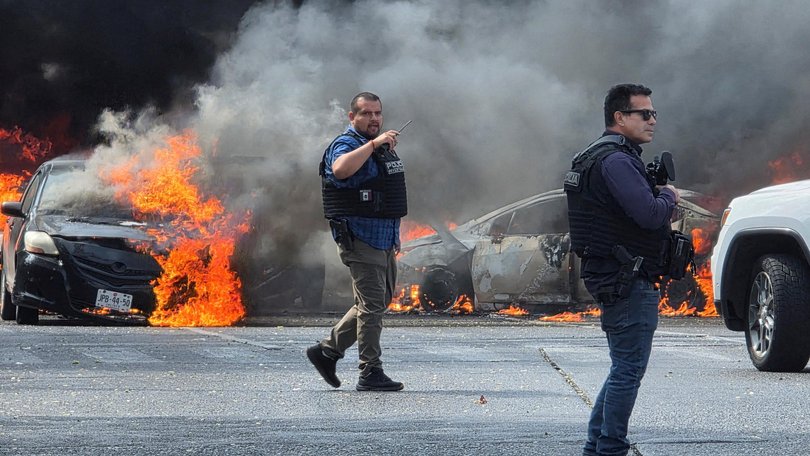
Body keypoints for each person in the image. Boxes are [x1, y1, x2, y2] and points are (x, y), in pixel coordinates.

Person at [564, 83, 680, 456]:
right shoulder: (615, 160)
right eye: (644, 113)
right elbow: (648, 214)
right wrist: (669, 196)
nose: (652, 120)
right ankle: (611, 448)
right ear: (620, 117)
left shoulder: (599, 156)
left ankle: (596, 447)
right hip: (627, 280)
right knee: (628, 370)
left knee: (622, 368)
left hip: (617, 276)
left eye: (654, 113)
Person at [308, 92, 406, 392]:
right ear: (352, 117)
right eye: (366, 114)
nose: (374, 119)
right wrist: (374, 144)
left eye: (378, 113)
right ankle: (370, 371)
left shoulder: (379, 148)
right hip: (360, 237)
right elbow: (340, 170)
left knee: (375, 302)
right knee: (372, 305)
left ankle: (327, 352)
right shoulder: (347, 144)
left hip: (382, 238)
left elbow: (387, 193)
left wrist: (394, 235)